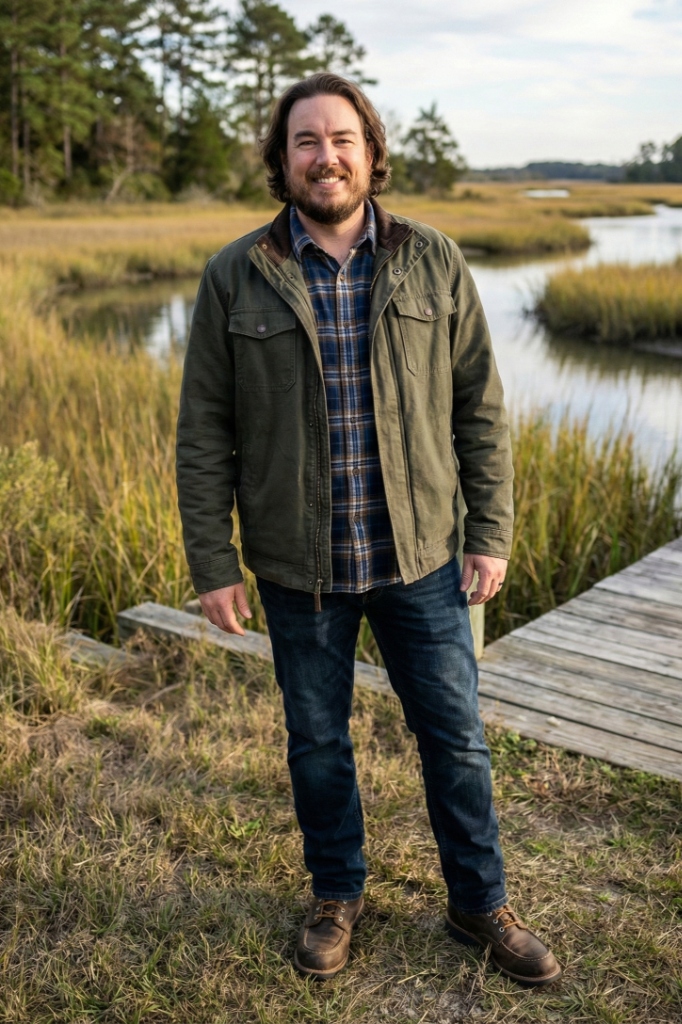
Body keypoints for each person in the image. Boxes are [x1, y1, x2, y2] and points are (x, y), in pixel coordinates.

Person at [176, 72, 560, 987]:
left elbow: (480, 410)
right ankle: (336, 894)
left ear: (371, 151)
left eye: (341, 138)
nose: (325, 156)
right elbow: (204, 432)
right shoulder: (236, 274)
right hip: (297, 565)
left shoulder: (433, 259)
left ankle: (479, 903)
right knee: (317, 743)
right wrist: (213, 562)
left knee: (456, 738)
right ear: (282, 161)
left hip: (420, 557)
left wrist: (490, 531)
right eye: (305, 140)